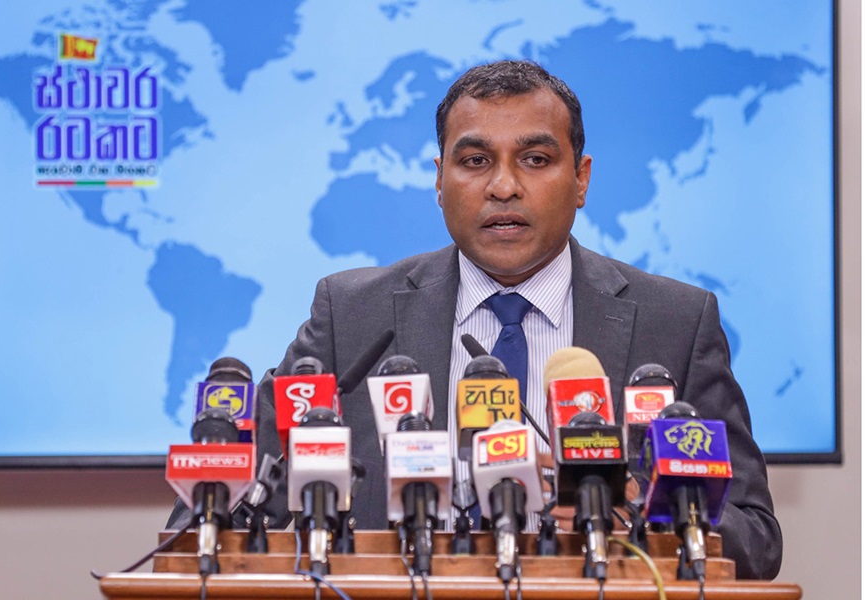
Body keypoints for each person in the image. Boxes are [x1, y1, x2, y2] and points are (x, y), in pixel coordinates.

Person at [168, 60, 781, 579]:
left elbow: (756, 541)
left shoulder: (674, 321)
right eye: (476, 161)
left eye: (536, 159)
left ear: (582, 179)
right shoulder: (351, 316)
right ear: (439, 179)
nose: (505, 186)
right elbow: (208, 510)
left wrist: (630, 501)